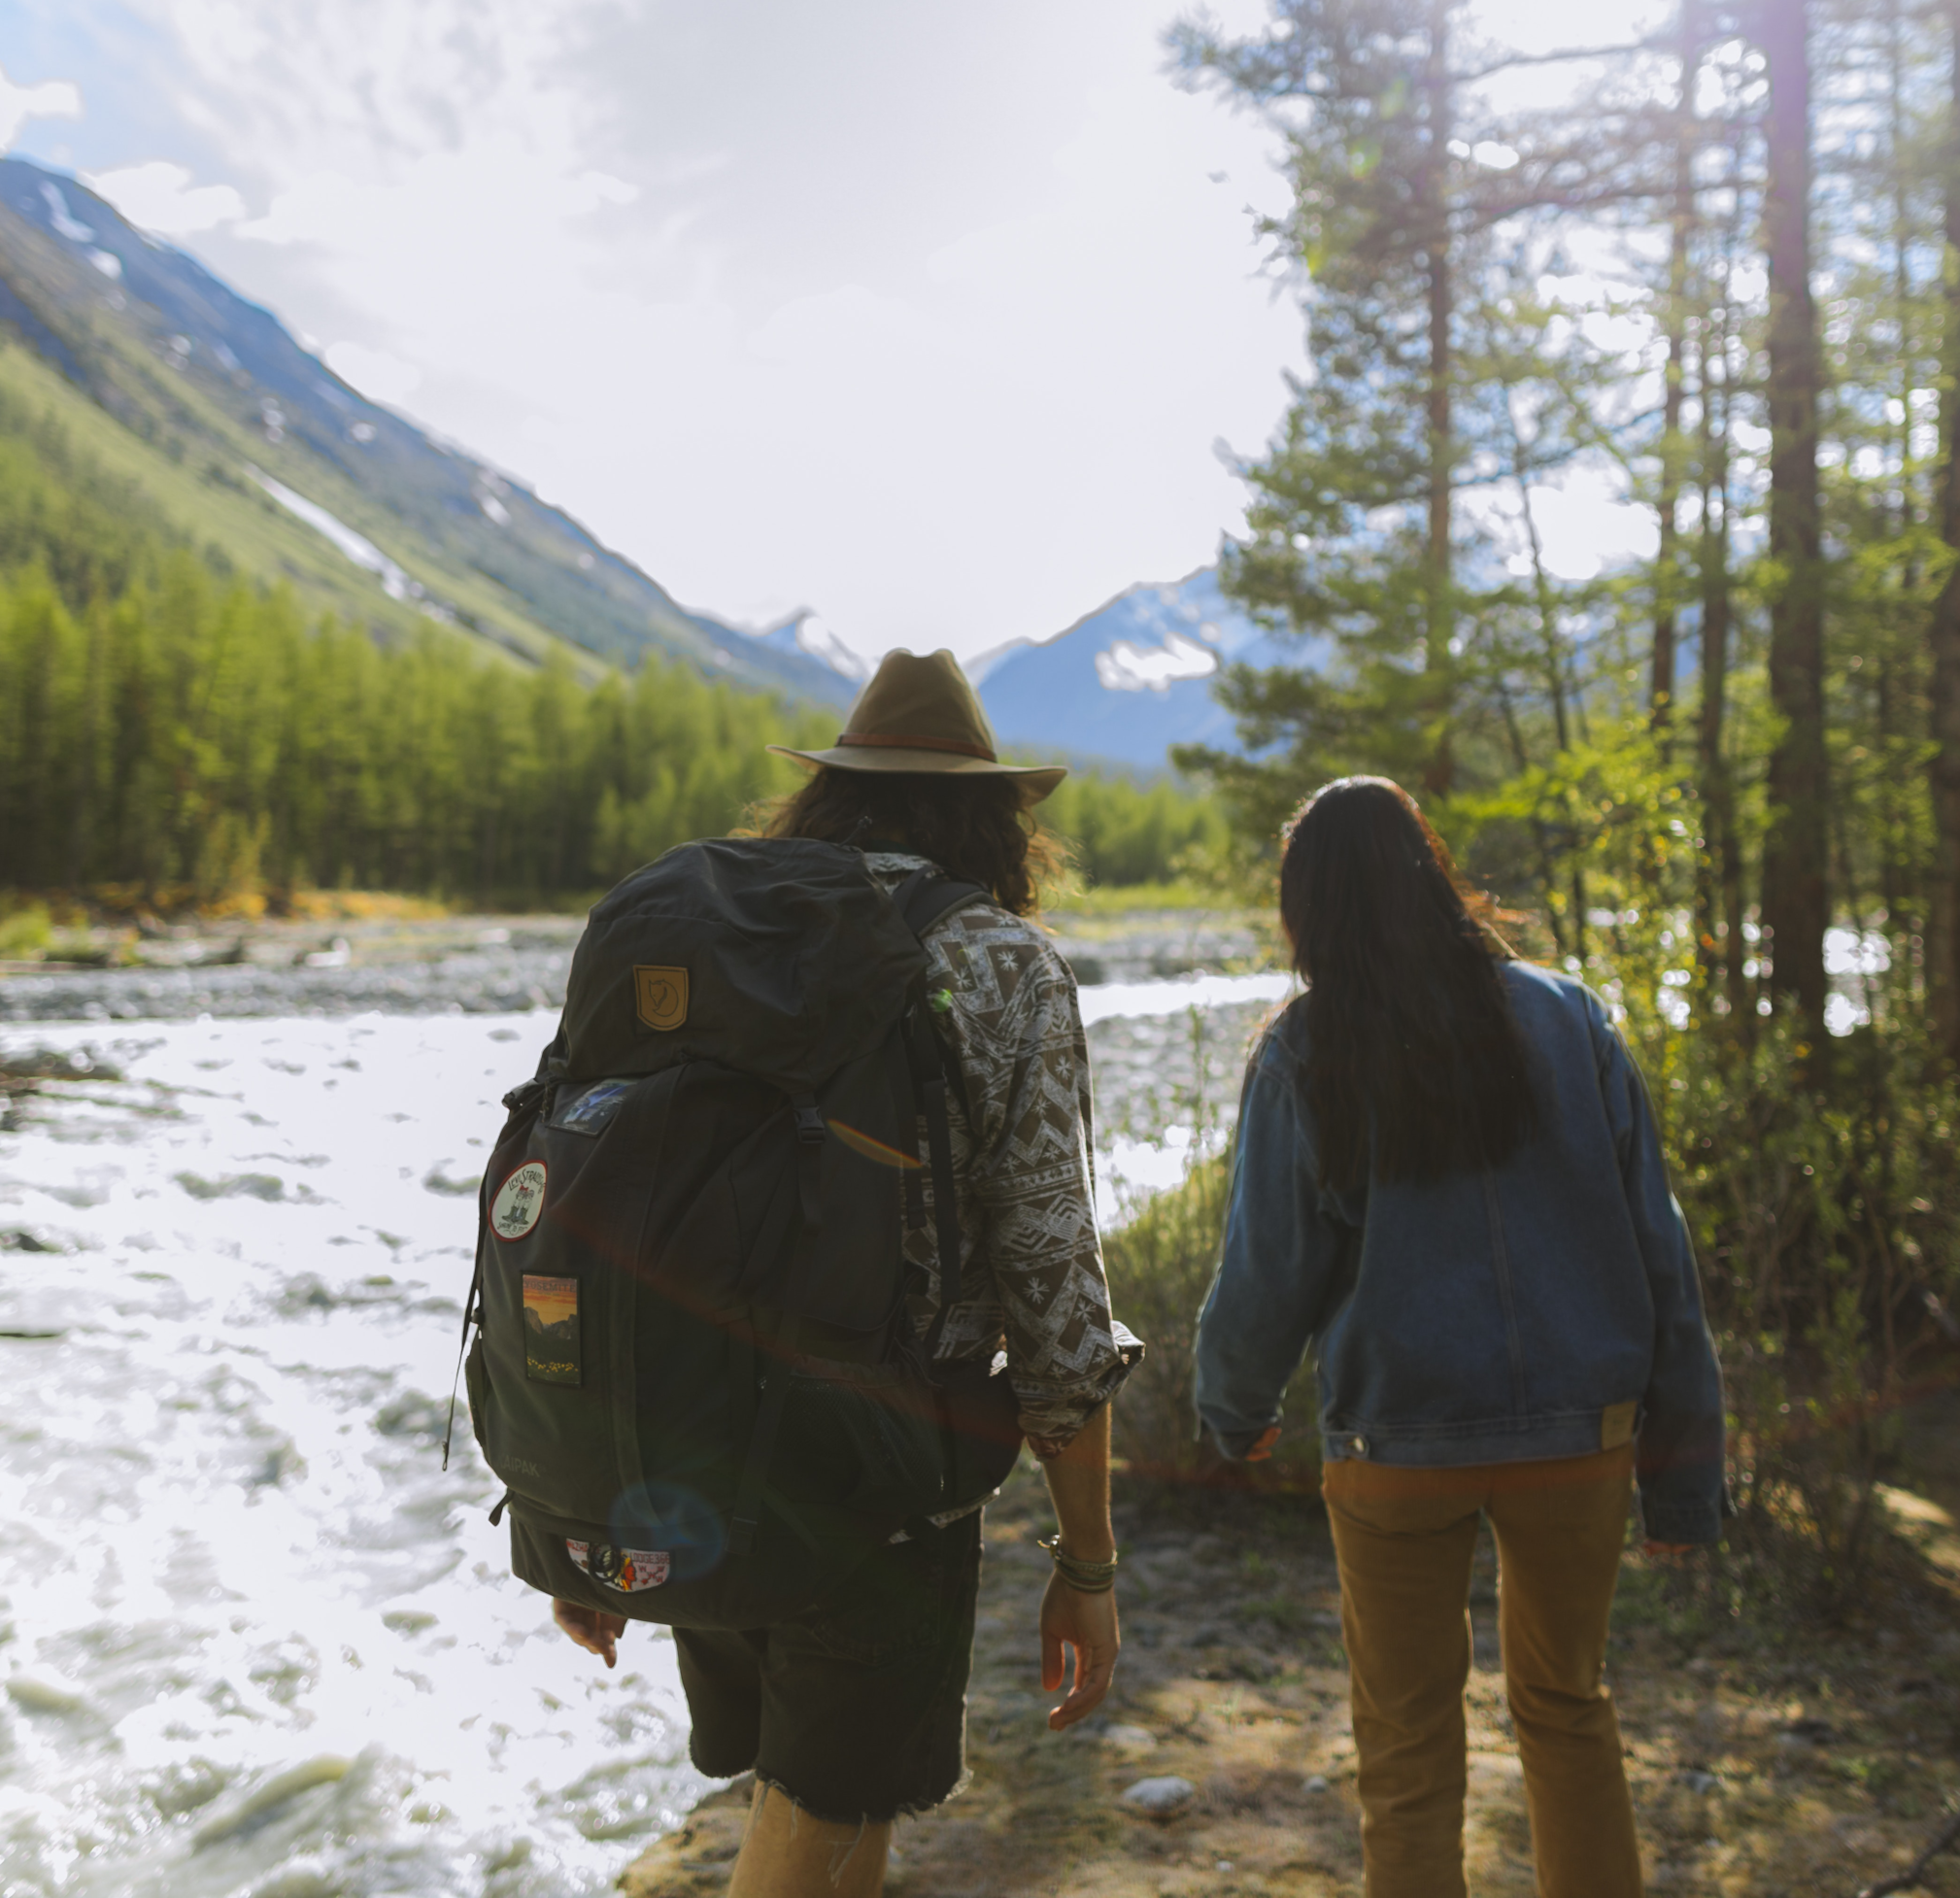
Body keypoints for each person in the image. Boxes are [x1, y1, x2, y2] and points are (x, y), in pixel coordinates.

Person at [546, 648, 1139, 1898]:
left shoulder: (702, 927)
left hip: (678, 1440)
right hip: (868, 1476)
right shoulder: (999, 965)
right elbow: (1053, 1295)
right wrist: (1085, 1565)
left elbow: (569, 1198)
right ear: (996, 816)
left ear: (827, 793)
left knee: (830, 1802)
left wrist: (571, 1498)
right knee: (820, 1815)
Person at [1193, 776, 1722, 1898]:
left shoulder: (1303, 1051)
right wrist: (1685, 1474)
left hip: (1395, 1447)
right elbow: (1658, 1254)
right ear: (1433, 876)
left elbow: (1268, 1269)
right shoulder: (1569, 1016)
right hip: (1580, 1438)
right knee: (1568, 1710)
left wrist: (1233, 1409)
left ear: (1308, 911)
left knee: (1407, 1749)